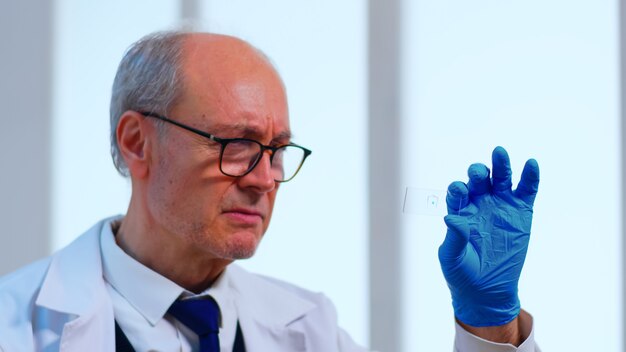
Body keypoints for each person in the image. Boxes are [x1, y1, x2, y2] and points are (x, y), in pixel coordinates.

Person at [0, 30, 540, 352]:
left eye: (278, 149)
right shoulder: (17, 324)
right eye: (237, 144)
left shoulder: (308, 330)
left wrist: (487, 322)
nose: (264, 179)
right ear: (138, 142)